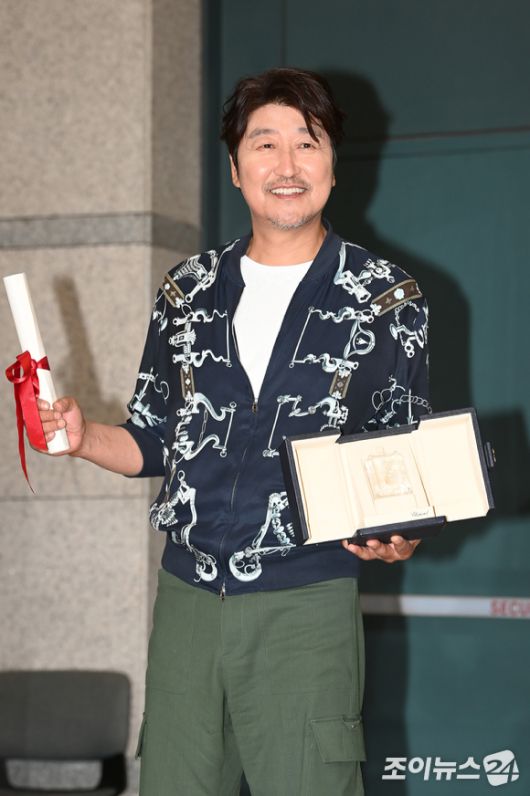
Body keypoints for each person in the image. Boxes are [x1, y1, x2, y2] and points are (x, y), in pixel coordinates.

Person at [37, 67, 430, 796]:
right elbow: (156, 439)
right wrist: (83, 436)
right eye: (264, 144)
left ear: (333, 165)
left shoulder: (385, 299)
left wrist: (401, 533)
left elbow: (399, 465)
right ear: (235, 166)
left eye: (307, 143)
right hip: (187, 601)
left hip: (306, 603)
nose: (287, 165)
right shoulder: (187, 291)